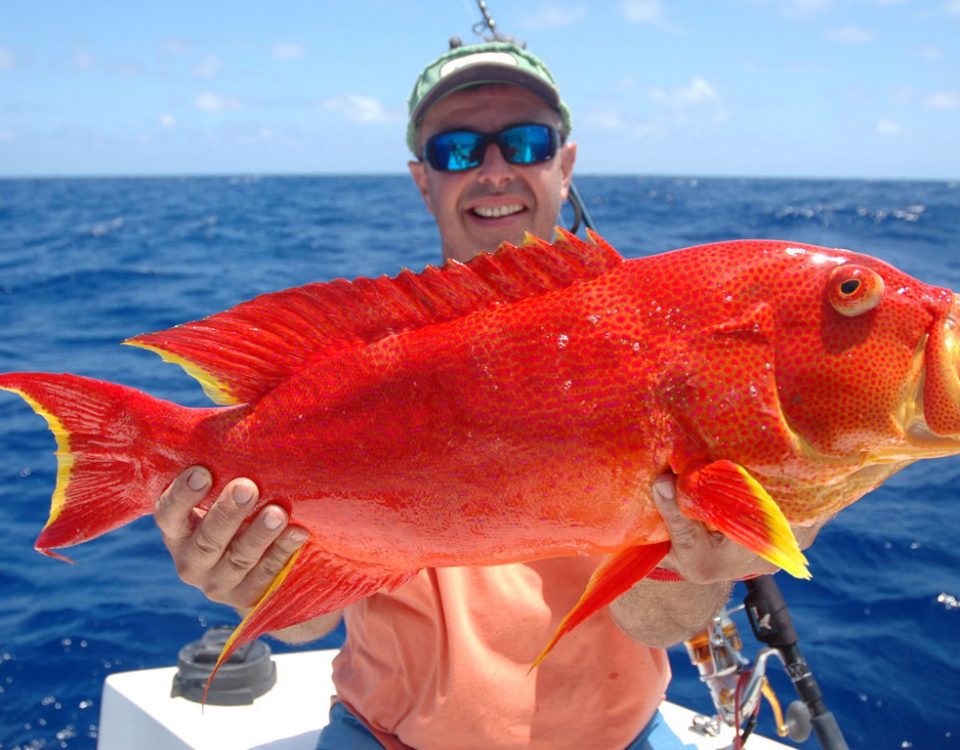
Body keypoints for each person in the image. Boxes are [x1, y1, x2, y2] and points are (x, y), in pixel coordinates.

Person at [153, 41, 821, 749]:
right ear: (422, 179)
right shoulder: (360, 364)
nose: (495, 170)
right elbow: (308, 624)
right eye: (459, 149)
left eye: (525, 142)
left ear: (564, 166)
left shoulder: (656, 344)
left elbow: (652, 623)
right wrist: (246, 578)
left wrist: (699, 559)